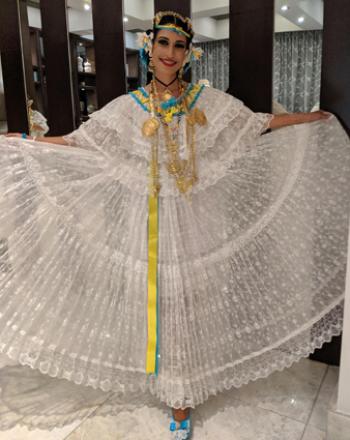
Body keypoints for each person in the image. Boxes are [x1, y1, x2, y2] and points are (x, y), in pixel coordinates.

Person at [2, 10, 350, 440]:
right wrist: (29, 143)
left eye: (179, 46)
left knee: (193, 299)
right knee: (162, 303)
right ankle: (173, 390)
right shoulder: (129, 108)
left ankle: (186, 384)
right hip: (150, 223)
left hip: (198, 220)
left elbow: (256, 123)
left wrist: (305, 120)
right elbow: (81, 142)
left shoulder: (205, 101)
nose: (170, 53)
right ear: (150, 48)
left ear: (188, 54)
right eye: (163, 44)